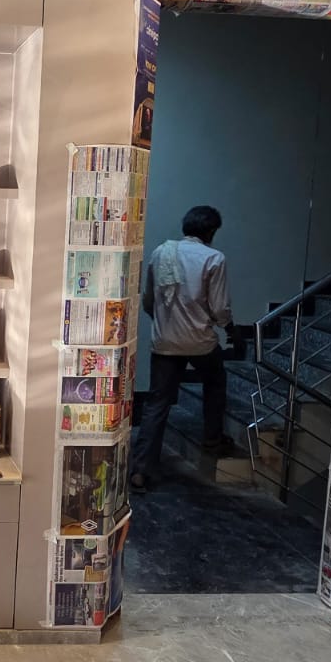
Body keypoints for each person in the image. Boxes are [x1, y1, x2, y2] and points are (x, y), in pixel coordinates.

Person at [131, 205, 237, 489]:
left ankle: (141, 470)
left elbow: (149, 301)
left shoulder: (161, 253)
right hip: (200, 342)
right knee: (216, 382)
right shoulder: (214, 258)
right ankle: (212, 439)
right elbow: (219, 308)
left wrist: (165, 323)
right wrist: (230, 328)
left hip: (165, 342)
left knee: (157, 403)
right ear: (211, 231)